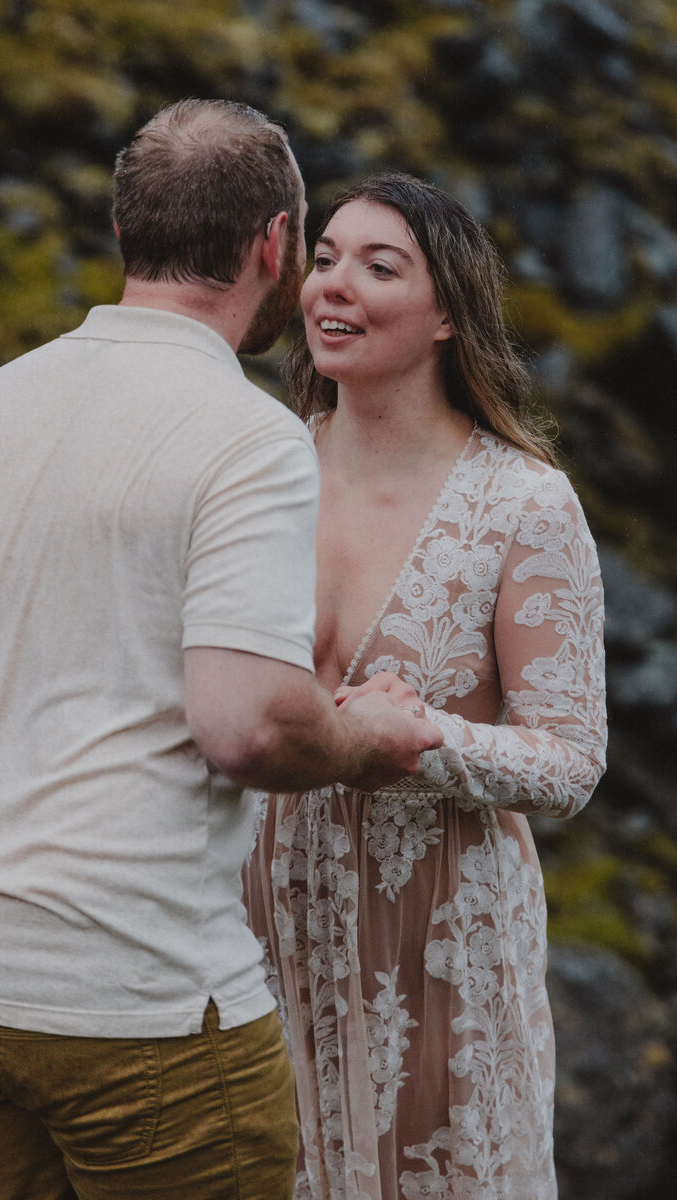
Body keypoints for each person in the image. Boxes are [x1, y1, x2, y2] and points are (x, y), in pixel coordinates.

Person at [0, 107, 443, 1200]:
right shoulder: (246, 437)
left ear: (123, 230)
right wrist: (363, 737)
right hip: (131, 997)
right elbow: (245, 726)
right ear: (273, 244)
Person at [242, 172, 607, 1200]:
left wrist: (430, 738)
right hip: (255, 941)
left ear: (447, 314)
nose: (333, 286)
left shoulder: (524, 504)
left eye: (378, 267)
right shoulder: (257, 470)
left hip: (441, 955)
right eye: (323, 260)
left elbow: (571, 761)